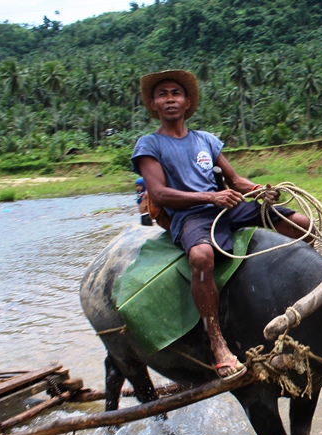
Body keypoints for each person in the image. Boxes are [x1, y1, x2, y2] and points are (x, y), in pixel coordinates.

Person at [131, 69, 312, 380]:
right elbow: (159, 193)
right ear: (153, 104)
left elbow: (235, 180)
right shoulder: (149, 145)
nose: (170, 98)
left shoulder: (206, 140)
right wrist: (210, 197)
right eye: (163, 94)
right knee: (201, 256)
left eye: (176, 93)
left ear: (187, 102)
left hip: (227, 208)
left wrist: (260, 191)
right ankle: (217, 342)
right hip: (191, 216)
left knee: (303, 224)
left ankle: (305, 296)